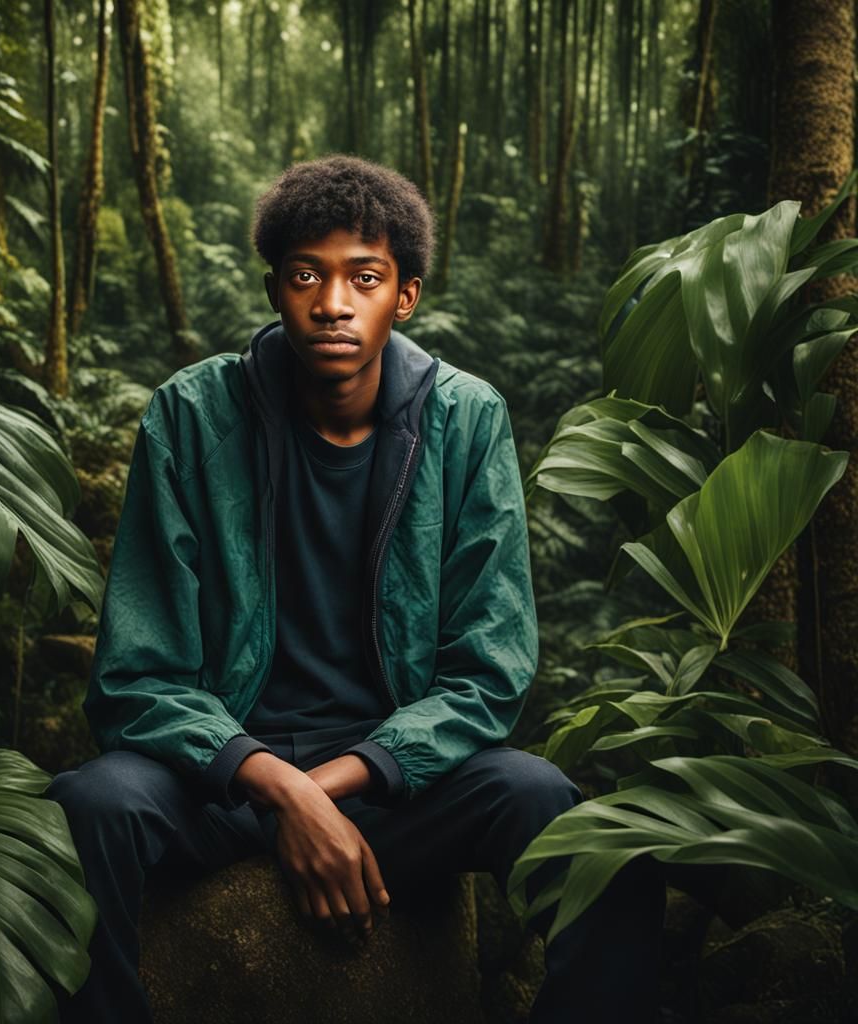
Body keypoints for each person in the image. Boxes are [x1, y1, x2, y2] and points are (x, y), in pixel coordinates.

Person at [47, 154, 666, 1023]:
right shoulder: (191, 417)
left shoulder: (466, 420)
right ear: (276, 289)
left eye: (363, 278)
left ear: (403, 296)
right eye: (307, 275)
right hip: (220, 782)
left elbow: (488, 670)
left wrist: (331, 787)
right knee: (90, 804)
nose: (332, 302)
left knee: (548, 803)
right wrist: (277, 786)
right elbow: (136, 678)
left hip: (391, 784)